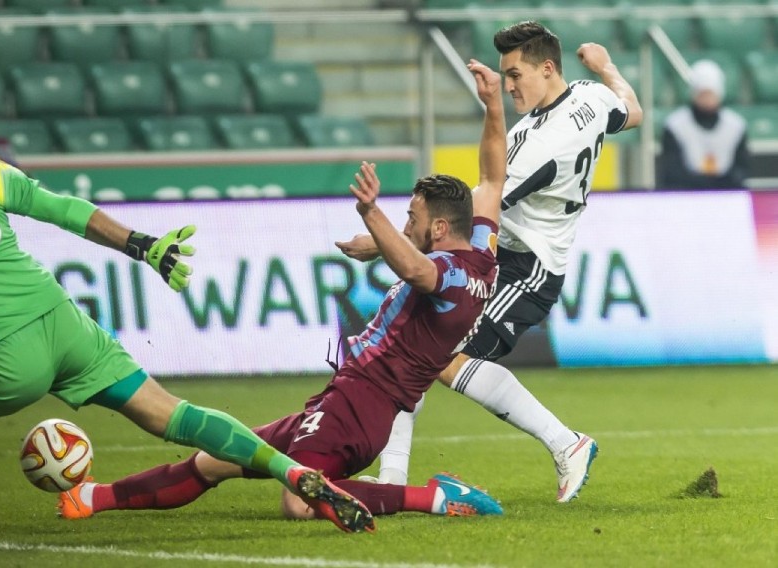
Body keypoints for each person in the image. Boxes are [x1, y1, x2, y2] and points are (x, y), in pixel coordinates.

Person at [56, 58, 508, 523]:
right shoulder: (481, 251)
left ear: (437, 226)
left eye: (411, 218)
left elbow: (417, 270)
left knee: (299, 501)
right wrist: (493, 104)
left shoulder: (446, 276)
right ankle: (93, 497)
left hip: (363, 405)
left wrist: (371, 213)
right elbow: (493, 176)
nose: (405, 223)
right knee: (217, 458)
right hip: (348, 398)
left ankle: (432, 497)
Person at [0, 149, 373, 534]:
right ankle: (289, 469)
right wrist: (142, 245)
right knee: (171, 413)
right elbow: (63, 209)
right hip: (63, 324)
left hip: (3, 362)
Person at [339, 21, 643, 503]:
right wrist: (605, 66)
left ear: (546, 68)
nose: (510, 84)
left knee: (446, 357)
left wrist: (382, 241)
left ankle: (568, 442)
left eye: (516, 74)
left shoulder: (546, 145)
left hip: (527, 268)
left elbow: (476, 208)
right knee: (411, 347)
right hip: (503, 260)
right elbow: (632, 109)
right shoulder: (590, 95)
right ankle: (392, 477)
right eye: (505, 75)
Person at [658, 59, 749, 190]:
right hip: (686, 194)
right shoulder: (675, 125)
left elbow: (741, 170)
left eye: (710, 94)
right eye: (702, 94)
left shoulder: (736, 126)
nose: (707, 100)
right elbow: (672, 171)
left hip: (726, 194)